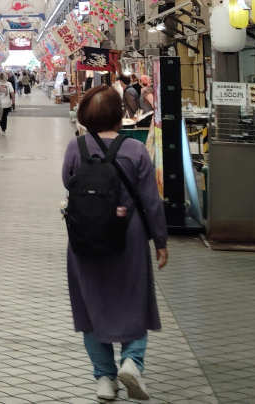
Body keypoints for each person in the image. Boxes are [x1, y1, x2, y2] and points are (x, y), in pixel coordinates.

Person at [62, 85, 168, 401]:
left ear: (84, 116)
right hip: (129, 239)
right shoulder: (134, 150)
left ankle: (105, 379)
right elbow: (151, 200)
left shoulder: (75, 147)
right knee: (134, 299)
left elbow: (68, 182)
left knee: (91, 304)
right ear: (120, 114)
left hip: (85, 239)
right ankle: (132, 363)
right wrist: (160, 240)